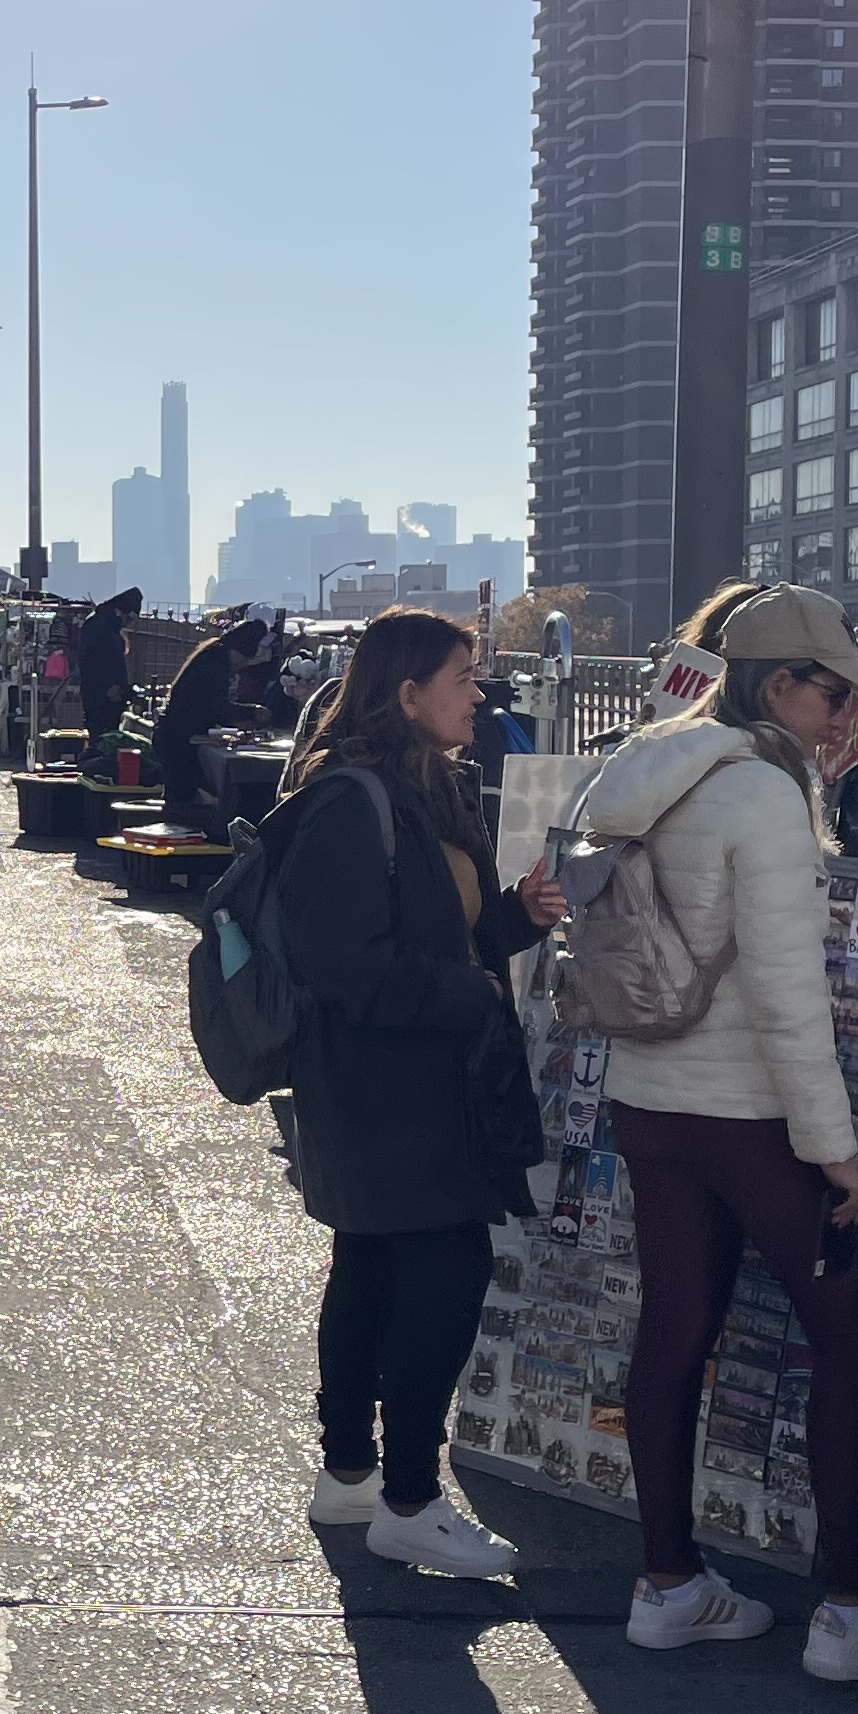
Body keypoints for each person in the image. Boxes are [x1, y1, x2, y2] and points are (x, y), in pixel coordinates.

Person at [576, 580, 858, 1682]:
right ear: (776, 686)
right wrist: (838, 1153)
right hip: (749, 1117)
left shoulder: (652, 772)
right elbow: (788, 997)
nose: (847, 719)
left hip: (648, 1098)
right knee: (846, 1328)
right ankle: (850, 1608)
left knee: (675, 1328)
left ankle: (669, 1582)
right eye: (833, 696)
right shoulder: (763, 798)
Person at [273, 607, 566, 1580]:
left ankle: (351, 1475)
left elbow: (448, 942)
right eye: (462, 677)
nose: (478, 693)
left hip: (417, 1083)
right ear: (407, 694)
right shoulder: (348, 803)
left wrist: (516, 922)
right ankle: (409, 1497)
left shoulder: (433, 789)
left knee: (373, 1269)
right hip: (383, 1092)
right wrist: (466, 989)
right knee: (445, 1273)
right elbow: (343, 962)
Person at [152, 613, 282, 826]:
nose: (242, 665)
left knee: (178, 798)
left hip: (173, 733)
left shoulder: (212, 654)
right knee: (181, 799)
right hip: (177, 738)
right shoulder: (216, 665)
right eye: (244, 659)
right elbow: (217, 708)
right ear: (238, 651)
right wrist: (251, 712)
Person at [73, 586, 140, 739]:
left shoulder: (107, 627)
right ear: (119, 611)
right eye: (127, 618)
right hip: (100, 698)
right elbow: (89, 662)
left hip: (109, 697)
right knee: (101, 737)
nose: (127, 623)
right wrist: (107, 686)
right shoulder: (98, 626)